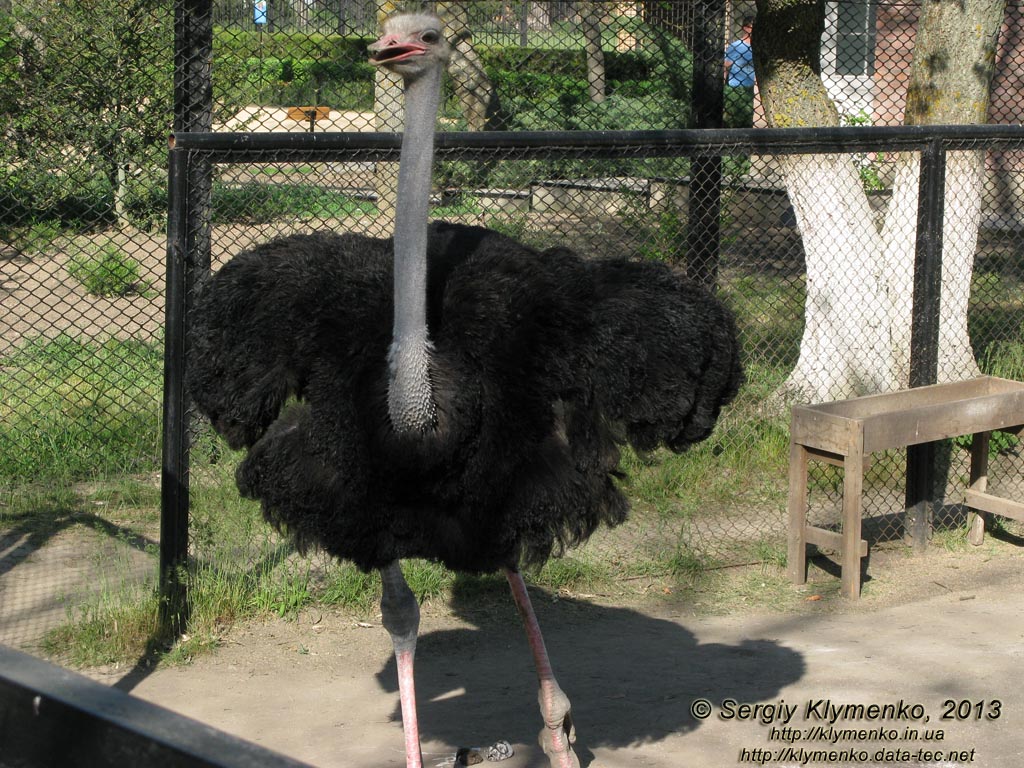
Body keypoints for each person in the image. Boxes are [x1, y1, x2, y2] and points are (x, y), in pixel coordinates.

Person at [724, 17, 755, 127]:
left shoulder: (758, 47)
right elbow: (725, 67)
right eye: (753, 27)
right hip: (735, 88)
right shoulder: (736, 46)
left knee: (747, 122)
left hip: (750, 89)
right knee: (732, 121)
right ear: (746, 28)